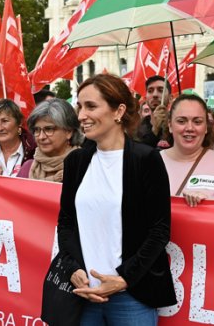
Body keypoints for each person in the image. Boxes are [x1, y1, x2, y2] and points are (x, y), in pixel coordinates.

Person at [57, 74, 176, 324]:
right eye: (80, 107)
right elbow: (66, 223)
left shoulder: (146, 160)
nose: (81, 116)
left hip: (131, 296)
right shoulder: (76, 162)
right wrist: (74, 269)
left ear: (118, 110)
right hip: (84, 295)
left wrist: (123, 279)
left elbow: (159, 230)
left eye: (91, 106)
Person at [161, 94, 214, 207]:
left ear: (206, 127)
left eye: (197, 122)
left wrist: (207, 206)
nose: (189, 128)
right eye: (181, 121)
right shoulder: (152, 162)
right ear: (170, 125)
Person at [16, 98, 84, 182]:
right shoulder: (27, 168)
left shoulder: (84, 168)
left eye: (49, 129)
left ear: (69, 132)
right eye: (37, 130)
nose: (41, 137)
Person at [136, 75, 172, 148]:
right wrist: (155, 129)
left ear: (170, 98)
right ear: (146, 99)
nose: (155, 95)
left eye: (161, 90)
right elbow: (138, 156)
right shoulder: (137, 128)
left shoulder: (179, 125)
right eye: (150, 91)